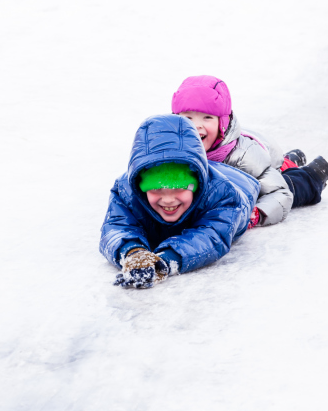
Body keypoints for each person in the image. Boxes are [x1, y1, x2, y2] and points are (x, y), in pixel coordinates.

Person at [100, 113, 260, 288]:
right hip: (204, 170)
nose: (168, 199)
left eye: (179, 188)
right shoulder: (126, 191)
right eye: (156, 188)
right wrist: (133, 252)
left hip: (241, 180)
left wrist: (166, 260)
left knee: (280, 186)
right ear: (140, 184)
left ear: (197, 183)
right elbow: (117, 227)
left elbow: (211, 235)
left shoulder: (223, 195)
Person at [171, 75, 328, 227]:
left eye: (207, 117)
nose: (196, 126)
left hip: (265, 157)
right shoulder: (171, 148)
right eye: (188, 118)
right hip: (261, 162)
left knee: (289, 186)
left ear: (223, 123)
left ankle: (313, 174)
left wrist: (256, 213)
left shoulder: (242, 156)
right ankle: (292, 159)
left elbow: (280, 193)